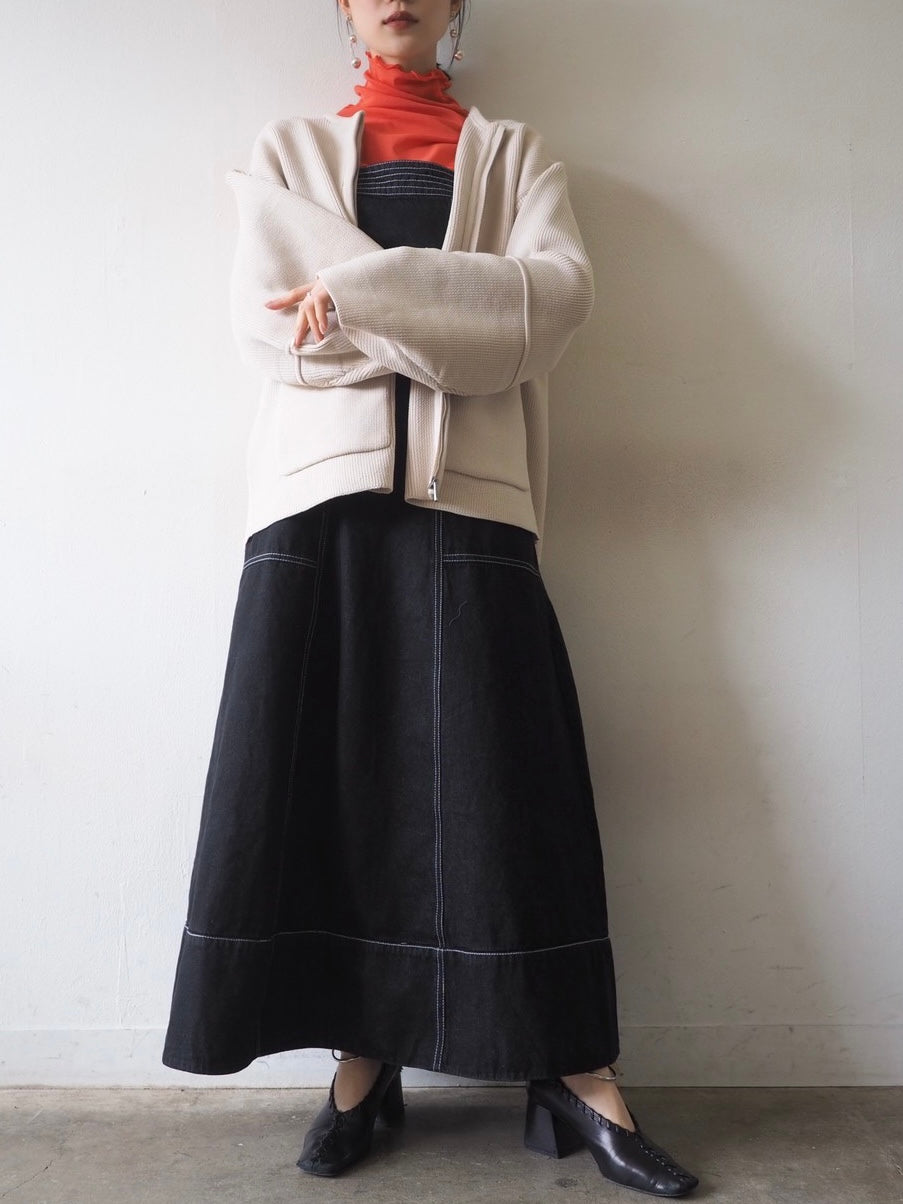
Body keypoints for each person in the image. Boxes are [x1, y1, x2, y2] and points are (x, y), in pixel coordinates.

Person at [162, 0, 699, 1195]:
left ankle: (577, 1071)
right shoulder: (287, 154)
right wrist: (453, 307)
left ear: (458, 8)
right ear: (345, 8)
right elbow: (276, 339)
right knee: (340, 787)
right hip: (319, 513)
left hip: (480, 502)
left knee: (512, 787)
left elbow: (545, 310)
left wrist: (354, 292)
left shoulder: (516, 157)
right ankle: (363, 1062)